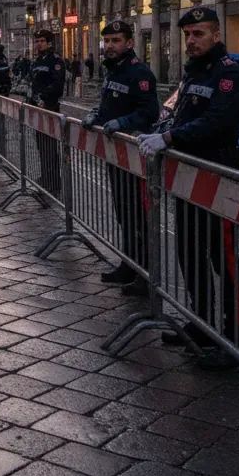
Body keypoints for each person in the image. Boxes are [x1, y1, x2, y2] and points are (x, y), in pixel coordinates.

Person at [138, 6, 239, 370]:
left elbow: (218, 121)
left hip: (218, 176)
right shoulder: (194, 73)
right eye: (187, 35)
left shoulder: (229, 74)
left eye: (198, 33)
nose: (191, 40)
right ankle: (200, 323)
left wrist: (170, 137)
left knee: (223, 258)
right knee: (190, 252)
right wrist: (163, 130)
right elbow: (182, 114)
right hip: (189, 177)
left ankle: (234, 338)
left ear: (216, 35)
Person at [82, 20, 159, 296]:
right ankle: (128, 265)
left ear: (129, 43)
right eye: (107, 41)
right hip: (117, 157)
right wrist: (96, 116)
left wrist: (122, 122)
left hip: (135, 158)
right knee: (123, 213)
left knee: (137, 217)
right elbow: (109, 106)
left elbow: (149, 113)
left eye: (116, 41)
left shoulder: (139, 73)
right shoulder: (113, 71)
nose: (110, 46)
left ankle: (145, 275)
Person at [28, 30, 65, 195]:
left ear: (49, 43)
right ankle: (45, 178)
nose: (39, 44)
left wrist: (43, 97)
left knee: (50, 147)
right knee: (41, 146)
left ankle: (53, 183)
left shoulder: (55, 61)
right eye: (37, 41)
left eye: (42, 41)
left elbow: (57, 85)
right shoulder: (36, 61)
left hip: (49, 108)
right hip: (37, 108)